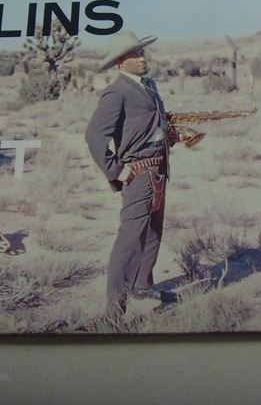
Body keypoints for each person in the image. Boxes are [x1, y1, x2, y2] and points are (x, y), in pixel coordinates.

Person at [85, 30, 173, 318]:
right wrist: (117, 170)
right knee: (129, 242)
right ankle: (113, 315)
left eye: (141, 52)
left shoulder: (149, 85)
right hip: (138, 174)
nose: (141, 58)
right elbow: (94, 136)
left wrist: (172, 133)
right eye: (133, 55)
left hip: (159, 169)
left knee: (153, 233)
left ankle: (143, 287)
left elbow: (151, 124)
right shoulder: (117, 92)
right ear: (120, 62)